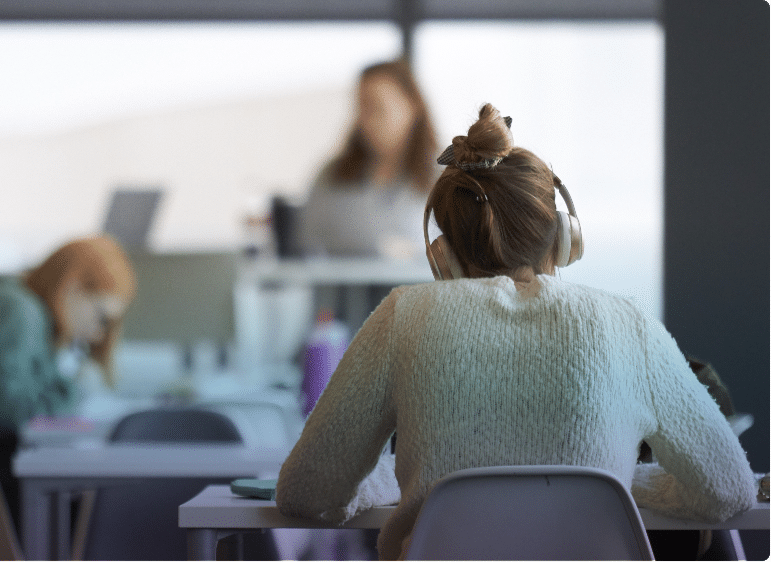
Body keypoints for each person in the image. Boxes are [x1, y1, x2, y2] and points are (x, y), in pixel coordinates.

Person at [276, 104, 758, 560]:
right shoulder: (626, 323)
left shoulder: (405, 315)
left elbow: (305, 494)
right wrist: (619, 482)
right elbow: (729, 491)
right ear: (566, 239)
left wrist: (395, 484)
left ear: (441, 254)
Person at [0, 235, 136, 527]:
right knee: (114, 514)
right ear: (73, 288)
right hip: (4, 491)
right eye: (101, 317)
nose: (99, 334)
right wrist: (70, 389)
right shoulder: (18, 310)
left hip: (6, 483)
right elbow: (2, 412)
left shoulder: (24, 309)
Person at [300, 58, 438, 259]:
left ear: (412, 106)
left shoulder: (445, 176)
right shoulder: (332, 175)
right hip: (343, 289)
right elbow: (306, 244)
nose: (369, 122)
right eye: (362, 109)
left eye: (378, 109)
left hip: (423, 290)